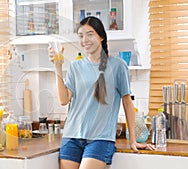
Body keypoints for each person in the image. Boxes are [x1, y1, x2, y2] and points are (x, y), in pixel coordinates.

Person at [48, 16, 155, 169]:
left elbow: (127, 102)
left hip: (100, 139)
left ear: (101, 37)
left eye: (90, 34)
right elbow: (64, 100)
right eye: (81, 35)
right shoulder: (75, 67)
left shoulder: (118, 66)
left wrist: (133, 139)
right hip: (72, 136)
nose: (85, 39)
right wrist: (57, 66)